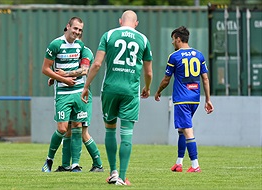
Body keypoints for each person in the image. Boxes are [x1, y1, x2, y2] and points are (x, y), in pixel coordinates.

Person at [81, 10, 153, 185]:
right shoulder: (143, 39)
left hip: (110, 89)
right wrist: (148, 87)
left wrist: (86, 86)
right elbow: (149, 72)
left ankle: (112, 172)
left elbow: (97, 64)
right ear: (136, 23)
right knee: (127, 134)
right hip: (130, 91)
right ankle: (122, 176)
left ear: (120, 21)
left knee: (110, 130)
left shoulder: (109, 35)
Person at [154, 26, 214, 173]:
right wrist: (208, 99)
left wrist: (158, 91)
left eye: (173, 40)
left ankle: (195, 165)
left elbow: (166, 80)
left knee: (187, 130)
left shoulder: (174, 57)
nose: (172, 43)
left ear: (179, 39)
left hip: (182, 99)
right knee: (181, 129)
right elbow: (205, 79)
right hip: (195, 98)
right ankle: (179, 163)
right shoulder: (199, 55)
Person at [48, 29, 104, 172]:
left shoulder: (86, 52)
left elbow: (84, 70)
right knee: (67, 131)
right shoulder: (67, 51)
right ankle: (66, 165)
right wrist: (56, 77)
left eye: (79, 35)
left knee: (82, 131)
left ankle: (96, 164)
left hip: (82, 95)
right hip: (69, 95)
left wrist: (62, 75)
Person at [41, 17, 88, 173]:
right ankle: (49, 160)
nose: (77, 32)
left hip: (78, 91)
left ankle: (75, 165)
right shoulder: (56, 44)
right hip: (63, 92)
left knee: (77, 126)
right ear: (68, 26)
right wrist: (62, 79)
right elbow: (45, 68)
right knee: (62, 129)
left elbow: (83, 68)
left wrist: (60, 76)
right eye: (75, 28)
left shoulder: (80, 45)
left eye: (80, 30)